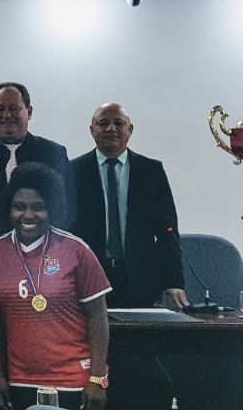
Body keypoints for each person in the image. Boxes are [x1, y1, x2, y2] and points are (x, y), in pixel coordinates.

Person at [0, 163, 111, 410]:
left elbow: (97, 316)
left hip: (72, 380)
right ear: (8, 209)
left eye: (38, 207)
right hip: (18, 381)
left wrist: (97, 378)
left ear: (52, 208)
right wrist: (0, 376)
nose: (28, 215)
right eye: (19, 207)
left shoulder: (76, 250)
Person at [70, 103, 188, 309]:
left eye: (119, 123)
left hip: (140, 279)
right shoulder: (73, 171)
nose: (111, 129)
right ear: (92, 130)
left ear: (130, 129)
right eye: (103, 123)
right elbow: (66, 233)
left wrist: (173, 281)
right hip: (88, 277)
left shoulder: (151, 171)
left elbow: (167, 231)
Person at [0, 82, 75, 224]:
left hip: (44, 240)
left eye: (14, 108)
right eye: (0, 109)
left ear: (29, 112)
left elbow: (68, 207)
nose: (7, 115)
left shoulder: (53, 153)